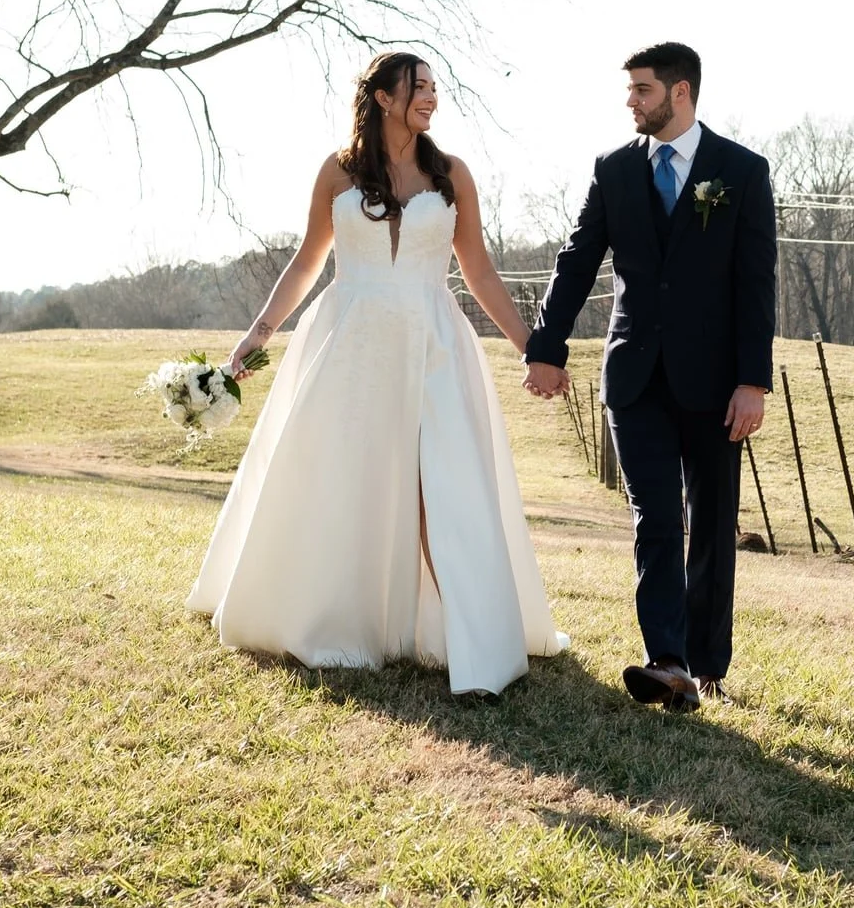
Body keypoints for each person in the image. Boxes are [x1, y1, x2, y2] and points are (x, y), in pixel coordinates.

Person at [186, 50, 570, 696]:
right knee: (345, 480)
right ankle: (339, 620)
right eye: (418, 87)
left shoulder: (451, 175)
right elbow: (309, 261)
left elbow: (477, 272)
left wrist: (532, 347)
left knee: (443, 484)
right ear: (384, 97)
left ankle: (473, 642)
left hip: (434, 344)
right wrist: (256, 338)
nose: (430, 98)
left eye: (434, 88)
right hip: (352, 346)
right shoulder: (338, 172)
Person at [523, 42, 776, 712]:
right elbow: (576, 260)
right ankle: (666, 659)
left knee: (712, 519)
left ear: (680, 92)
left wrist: (753, 380)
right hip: (634, 377)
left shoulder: (741, 172)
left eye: (641, 90)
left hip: (718, 383)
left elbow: (756, 283)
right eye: (630, 90)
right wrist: (546, 346)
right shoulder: (614, 170)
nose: (630, 101)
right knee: (655, 516)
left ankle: (705, 662)